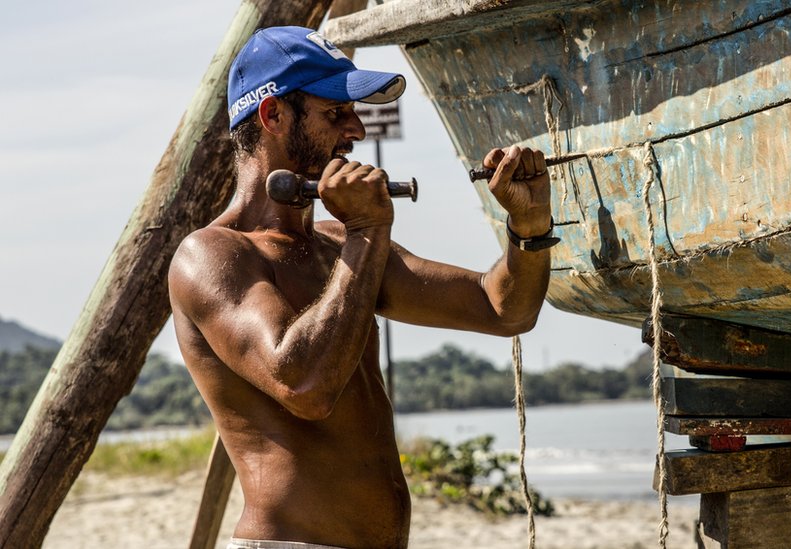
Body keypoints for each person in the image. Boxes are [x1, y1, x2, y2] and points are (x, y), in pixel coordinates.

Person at [168, 26, 557, 549]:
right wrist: (368, 231)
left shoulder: (339, 246)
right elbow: (304, 386)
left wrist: (528, 229)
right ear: (272, 116)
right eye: (334, 113)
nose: (356, 130)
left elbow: (503, 309)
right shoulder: (211, 255)